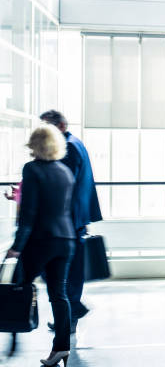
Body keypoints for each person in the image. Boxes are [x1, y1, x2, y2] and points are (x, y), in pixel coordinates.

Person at [6, 124, 76, 367]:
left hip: (40, 241)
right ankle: (62, 349)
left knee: (18, 287)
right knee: (59, 295)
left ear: (35, 145)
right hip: (65, 240)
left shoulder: (32, 169)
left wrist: (17, 246)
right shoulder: (65, 171)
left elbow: (29, 213)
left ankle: (13, 337)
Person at [40, 110, 102, 332]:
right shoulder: (76, 143)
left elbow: (61, 185)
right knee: (67, 268)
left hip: (68, 218)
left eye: (47, 128)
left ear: (61, 126)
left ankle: (72, 310)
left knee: (62, 268)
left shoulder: (68, 147)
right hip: (74, 217)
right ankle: (70, 315)